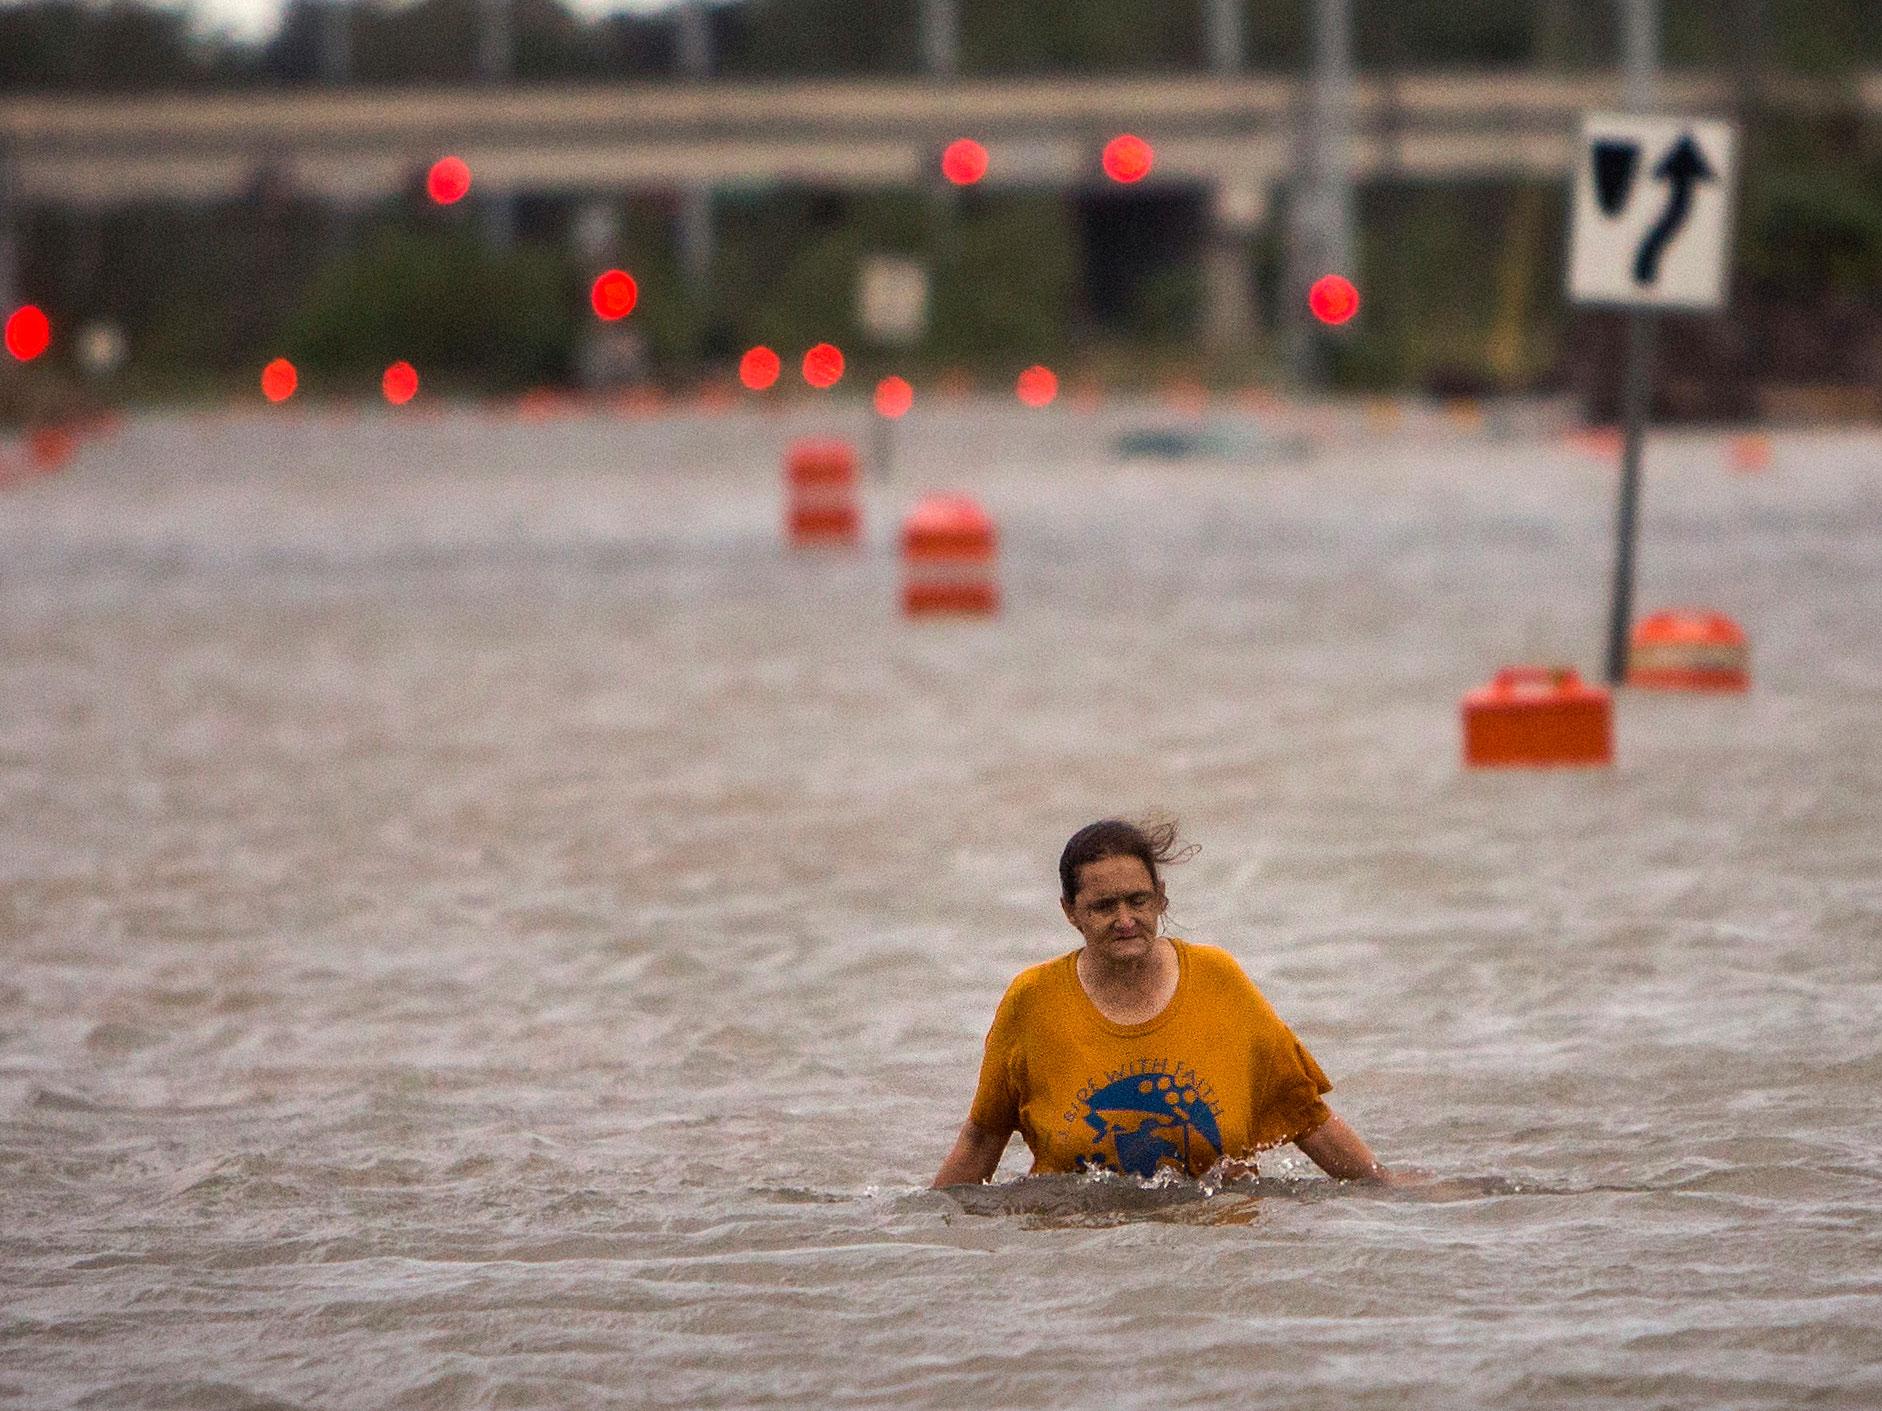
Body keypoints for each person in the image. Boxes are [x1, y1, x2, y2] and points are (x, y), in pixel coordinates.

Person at [933, 817, 1402, 1188]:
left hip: (1215, 1249)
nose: (1125, 920)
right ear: (1070, 912)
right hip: (1078, 1257)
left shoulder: (1219, 979)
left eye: (1138, 900)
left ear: (1161, 898)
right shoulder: (1031, 1000)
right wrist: (926, 1233)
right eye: (1103, 906)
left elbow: (1307, 1117)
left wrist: (1390, 1189)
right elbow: (982, 1139)